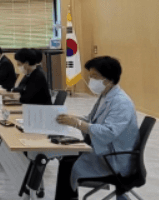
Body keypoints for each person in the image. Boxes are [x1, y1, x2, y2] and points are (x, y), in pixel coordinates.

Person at [54, 56, 140, 200]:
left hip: (114, 160)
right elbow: (91, 119)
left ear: (109, 79)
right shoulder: (106, 96)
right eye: (90, 76)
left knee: (67, 164)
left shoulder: (121, 102)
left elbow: (108, 132)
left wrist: (77, 123)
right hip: (105, 150)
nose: (90, 81)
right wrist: (71, 119)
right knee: (66, 156)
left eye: (95, 77)